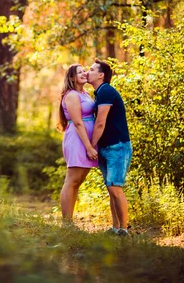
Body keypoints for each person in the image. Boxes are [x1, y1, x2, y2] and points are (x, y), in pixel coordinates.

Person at [87, 58, 132, 237]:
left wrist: (91, 146)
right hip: (106, 147)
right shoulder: (100, 93)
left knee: (115, 187)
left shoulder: (106, 91)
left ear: (101, 75)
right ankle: (115, 228)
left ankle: (123, 229)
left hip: (117, 147)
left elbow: (100, 123)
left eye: (91, 69)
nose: (87, 72)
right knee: (111, 188)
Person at [58, 64, 99, 226]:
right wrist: (89, 147)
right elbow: (77, 123)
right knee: (72, 180)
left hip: (86, 139)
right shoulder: (72, 96)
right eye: (80, 72)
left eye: (85, 71)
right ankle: (66, 223)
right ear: (72, 78)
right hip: (78, 140)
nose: (84, 73)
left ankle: (70, 220)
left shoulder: (84, 93)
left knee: (78, 180)